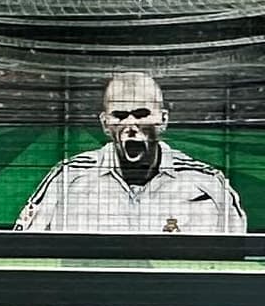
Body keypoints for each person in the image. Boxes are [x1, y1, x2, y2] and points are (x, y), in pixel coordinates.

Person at [16, 70, 246, 235]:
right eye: (120, 116)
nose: (131, 125)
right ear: (105, 124)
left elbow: (238, 255)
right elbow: (21, 246)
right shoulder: (68, 178)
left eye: (141, 114)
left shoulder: (207, 184)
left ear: (163, 120)